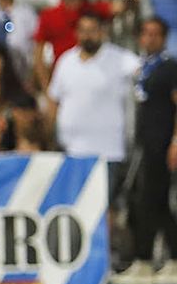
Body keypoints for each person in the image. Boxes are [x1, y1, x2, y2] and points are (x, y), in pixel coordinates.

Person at [114, 16, 177, 284]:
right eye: (146, 34)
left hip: (162, 144)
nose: (150, 39)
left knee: (152, 202)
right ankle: (152, 260)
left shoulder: (169, 67)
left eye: (156, 34)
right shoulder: (142, 67)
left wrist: (175, 141)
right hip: (144, 143)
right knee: (152, 203)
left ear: (163, 38)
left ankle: (150, 259)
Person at [46, 11, 141, 175]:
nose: (87, 36)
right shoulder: (66, 61)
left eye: (92, 30)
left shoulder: (120, 58)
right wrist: (49, 135)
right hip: (71, 150)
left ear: (102, 32)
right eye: (83, 31)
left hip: (108, 151)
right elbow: (54, 99)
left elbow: (143, 73)